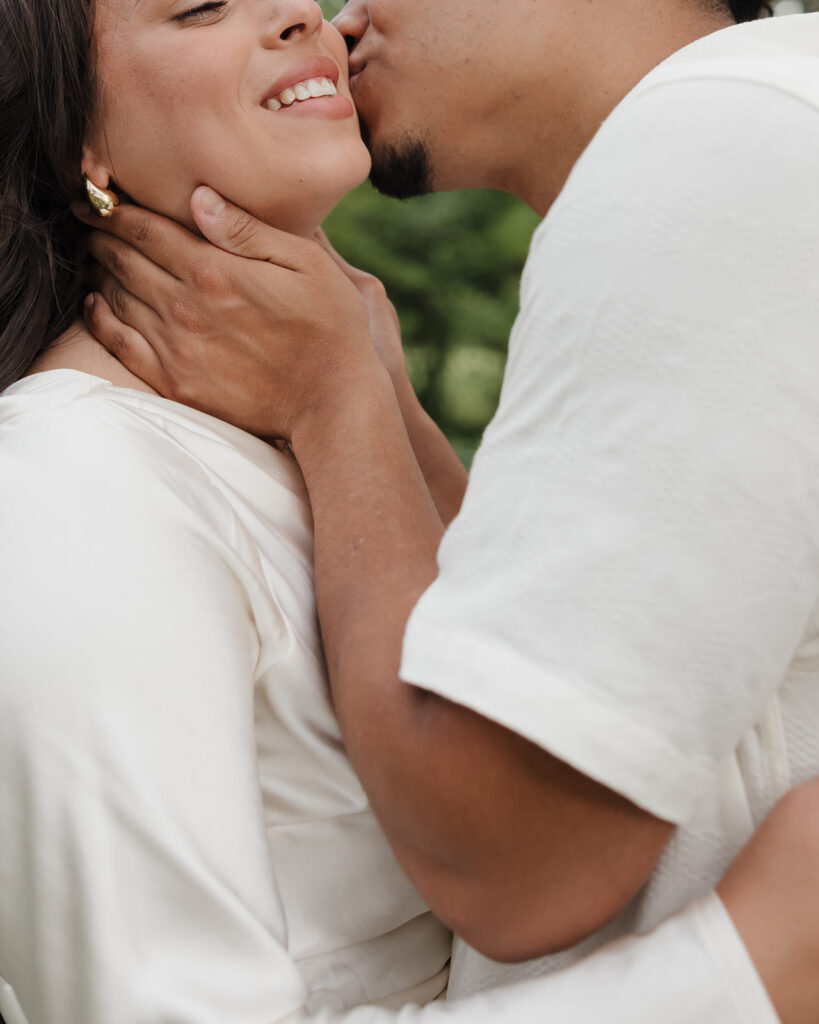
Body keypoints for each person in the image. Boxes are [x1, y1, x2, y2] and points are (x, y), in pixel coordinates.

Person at [0, 2, 818, 1024]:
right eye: (204, 0)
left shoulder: (314, 429)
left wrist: (352, 386)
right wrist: (744, 971)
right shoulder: (70, 476)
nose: (312, 11)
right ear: (72, 128)